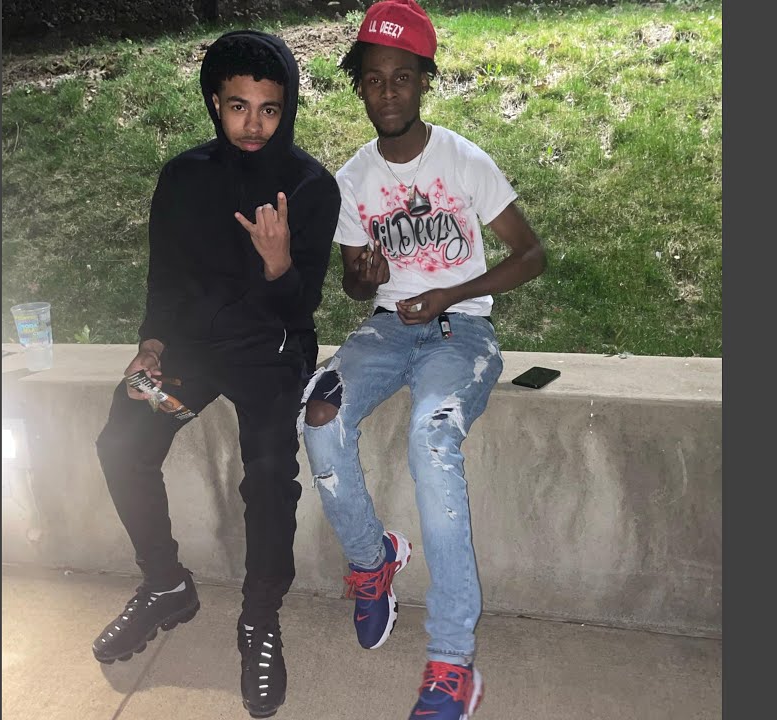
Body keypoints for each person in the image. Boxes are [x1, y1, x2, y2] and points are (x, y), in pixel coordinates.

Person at [299, 2, 546, 718]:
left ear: (424, 81)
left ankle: (452, 660)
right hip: (386, 331)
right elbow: (353, 283)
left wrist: (451, 293)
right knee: (319, 413)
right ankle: (372, 560)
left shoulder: (463, 160)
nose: (388, 93)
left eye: (402, 78)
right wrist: (364, 276)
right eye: (374, 80)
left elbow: (531, 255)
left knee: (431, 440)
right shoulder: (353, 179)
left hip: (460, 332)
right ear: (360, 86)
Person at [91, 29, 341, 719]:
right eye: (238, 107)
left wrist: (278, 264)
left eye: (269, 109)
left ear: (287, 108)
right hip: (191, 357)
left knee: (268, 471)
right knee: (124, 439)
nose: (253, 125)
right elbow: (165, 278)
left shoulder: (312, 187)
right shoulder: (183, 177)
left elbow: (300, 307)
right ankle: (166, 585)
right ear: (215, 103)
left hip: (271, 352)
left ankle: (259, 616)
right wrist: (152, 345)